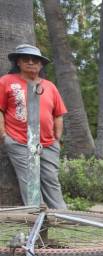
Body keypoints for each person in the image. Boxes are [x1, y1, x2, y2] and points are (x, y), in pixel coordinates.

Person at [0, 44, 68, 209]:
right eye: (26, 59)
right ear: (18, 62)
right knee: (30, 182)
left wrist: (56, 139)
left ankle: (62, 217)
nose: (31, 62)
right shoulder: (6, 81)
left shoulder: (50, 86)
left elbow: (58, 114)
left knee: (51, 180)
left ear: (41, 64)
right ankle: (37, 221)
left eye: (35, 60)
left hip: (47, 143)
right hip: (19, 141)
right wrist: (4, 136)